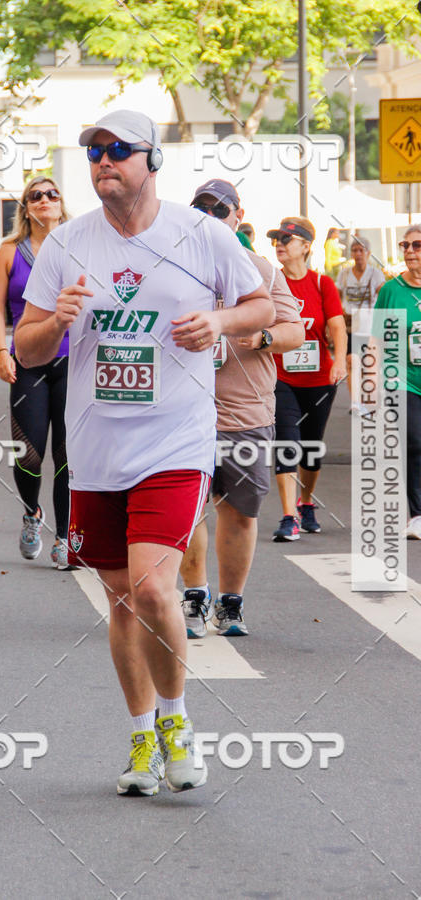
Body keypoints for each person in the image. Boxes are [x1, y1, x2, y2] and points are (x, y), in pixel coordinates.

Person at [15, 111, 273, 797]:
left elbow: (261, 308)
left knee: (154, 588)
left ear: (152, 160)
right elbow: (26, 348)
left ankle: (176, 723)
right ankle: (139, 738)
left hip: (174, 442)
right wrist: (56, 322)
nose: (103, 160)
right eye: (93, 151)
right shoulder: (67, 243)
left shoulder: (203, 235)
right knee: (122, 600)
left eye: (118, 150)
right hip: (97, 448)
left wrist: (218, 320)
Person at [180, 180, 304, 638]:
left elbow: (294, 332)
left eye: (220, 209)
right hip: (182, 414)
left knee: (240, 512)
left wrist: (263, 337)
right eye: (201, 208)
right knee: (187, 509)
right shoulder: (174, 266)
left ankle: (230, 604)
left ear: (238, 216)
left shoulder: (261, 272)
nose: (211, 216)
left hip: (245, 414)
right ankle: (195, 596)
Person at [0, 176, 73, 568]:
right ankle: (31, 513)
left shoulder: (77, 246)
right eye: (35, 195)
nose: (44, 200)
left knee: (68, 454)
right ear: (25, 207)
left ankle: (65, 536)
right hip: (27, 361)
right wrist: (0, 352)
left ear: (61, 203)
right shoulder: (10, 251)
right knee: (29, 452)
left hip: (72, 359)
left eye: (51, 194)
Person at [267, 217, 347, 541]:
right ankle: (289, 516)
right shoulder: (271, 283)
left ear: (306, 246)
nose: (279, 245)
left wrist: (339, 361)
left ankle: (306, 502)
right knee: (287, 441)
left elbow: (337, 326)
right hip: (281, 377)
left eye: (287, 239)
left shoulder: (321, 284)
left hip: (319, 380)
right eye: (276, 239)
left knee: (311, 447)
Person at [373, 226, 421, 539]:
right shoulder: (391, 291)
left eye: (417, 245)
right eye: (405, 245)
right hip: (402, 380)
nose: (409, 251)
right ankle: (417, 515)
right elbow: (377, 338)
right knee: (415, 441)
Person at [336, 235, 385, 413]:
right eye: (354, 250)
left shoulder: (375, 274)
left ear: (368, 253)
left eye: (361, 250)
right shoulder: (344, 274)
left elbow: (384, 297)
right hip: (351, 326)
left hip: (370, 325)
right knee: (352, 361)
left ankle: (370, 400)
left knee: (370, 365)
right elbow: (336, 297)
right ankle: (356, 403)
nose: (358, 254)